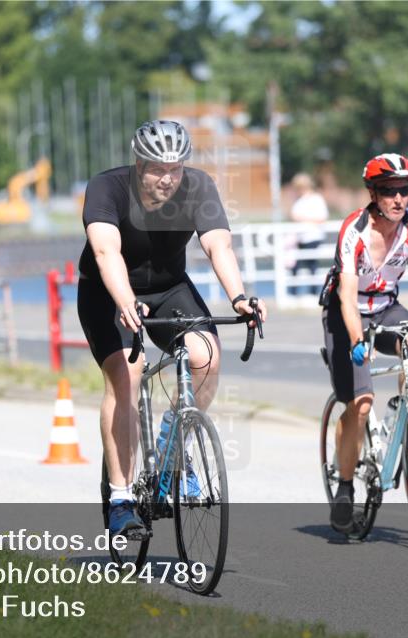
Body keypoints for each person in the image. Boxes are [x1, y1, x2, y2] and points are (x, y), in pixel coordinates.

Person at [78, 120, 268, 537]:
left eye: (176, 168)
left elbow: (218, 245)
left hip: (169, 289)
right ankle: (121, 498)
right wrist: (126, 301)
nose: (168, 178)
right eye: (157, 169)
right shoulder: (107, 187)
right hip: (108, 293)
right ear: (139, 164)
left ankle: (173, 452)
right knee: (126, 376)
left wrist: (239, 297)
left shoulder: (198, 187)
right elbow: (105, 251)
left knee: (207, 355)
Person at [320, 153, 408, 534]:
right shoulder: (354, 230)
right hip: (345, 314)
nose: (399, 198)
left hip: (386, 309)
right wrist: (356, 341)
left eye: (405, 190)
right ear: (373, 193)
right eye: (389, 191)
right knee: (361, 405)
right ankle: (346, 485)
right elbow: (347, 297)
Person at [288, 173, 330, 295]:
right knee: (294, 265)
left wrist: (302, 218)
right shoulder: (299, 200)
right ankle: (293, 292)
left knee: (311, 264)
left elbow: (322, 218)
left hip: (312, 237)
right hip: (299, 238)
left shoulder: (316, 199)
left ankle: (313, 292)